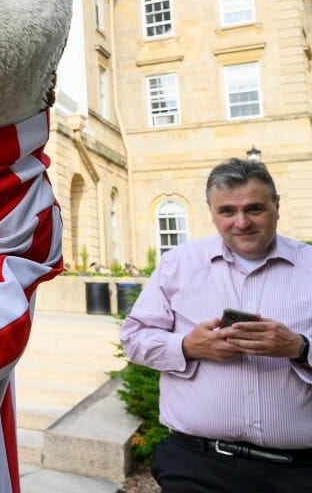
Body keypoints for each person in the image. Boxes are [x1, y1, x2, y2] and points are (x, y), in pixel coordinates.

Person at [120, 157, 312, 492]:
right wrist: (186, 346)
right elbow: (133, 338)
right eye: (227, 212)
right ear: (211, 212)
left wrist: (298, 347)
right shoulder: (177, 264)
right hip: (195, 465)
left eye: (254, 209)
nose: (241, 222)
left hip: (297, 472)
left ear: (276, 206)